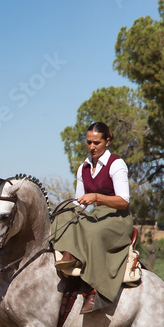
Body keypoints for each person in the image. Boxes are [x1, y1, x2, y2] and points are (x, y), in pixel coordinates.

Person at [51, 121, 134, 313]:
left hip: (117, 219)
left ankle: (97, 291)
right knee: (62, 216)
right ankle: (69, 254)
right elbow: (79, 202)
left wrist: (96, 197)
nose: (92, 147)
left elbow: (123, 201)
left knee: (93, 232)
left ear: (107, 141)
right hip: (96, 215)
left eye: (96, 142)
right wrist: (67, 210)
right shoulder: (83, 168)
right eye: (89, 142)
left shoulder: (117, 164)